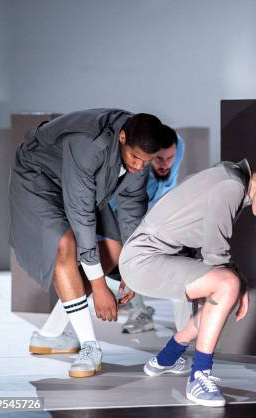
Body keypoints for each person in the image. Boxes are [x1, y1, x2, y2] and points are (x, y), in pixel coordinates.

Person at [119, 160, 256, 407]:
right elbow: (214, 253)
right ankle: (199, 376)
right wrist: (238, 283)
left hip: (155, 255)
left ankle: (168, 357)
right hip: (145, 259)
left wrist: (237, 283)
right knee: (227, 286)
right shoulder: (231, 187)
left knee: (224, 292)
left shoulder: (235, 179)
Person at [11, 109, 166, 377]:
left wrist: (130, 267)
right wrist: (98, 285)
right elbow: (81, 216)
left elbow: (131, 209)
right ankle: (90, 347)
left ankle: (48, 336)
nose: (140, 166)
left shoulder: (139, 152)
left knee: (114, 251)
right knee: (65, 245)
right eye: (135, 158)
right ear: (122, 137)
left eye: (147, 161)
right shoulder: (88, 144)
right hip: (38, 178)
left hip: (81, 182)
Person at [118, 125, 185, 334]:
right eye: (158, 159)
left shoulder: (178, 144)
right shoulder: (138, 173)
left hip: (161, 209)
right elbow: (127, 210)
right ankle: (140, 311)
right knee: (130, 255)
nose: (165, 165)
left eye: (170, 158)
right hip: (126, 212)